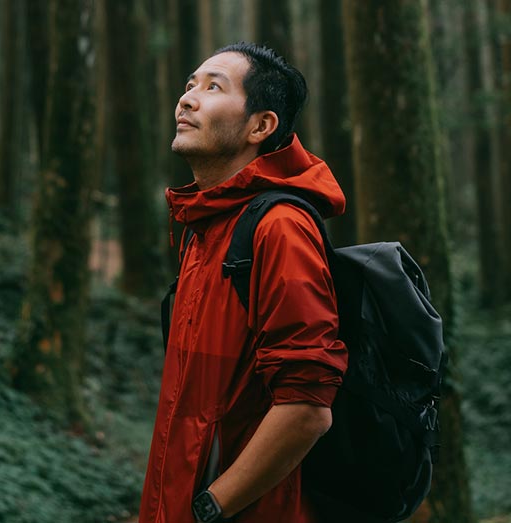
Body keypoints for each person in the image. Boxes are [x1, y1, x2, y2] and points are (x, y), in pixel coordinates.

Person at [139, 42, 348, 523]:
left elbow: (307, 406)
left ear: (261, 126)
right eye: (190, 85)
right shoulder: (206, 227)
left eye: (213, 87)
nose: (187, 98)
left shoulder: (280, 229)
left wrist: (211, 507)